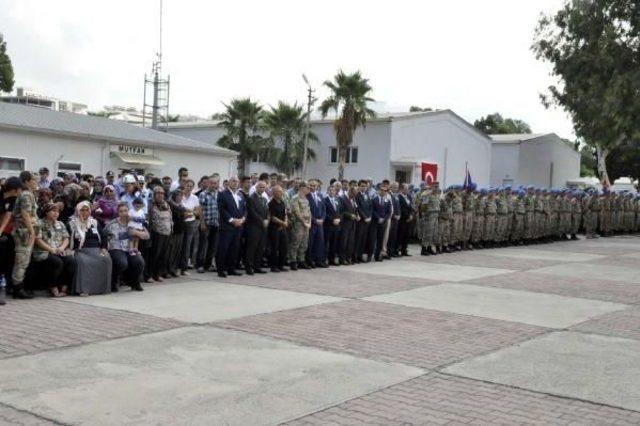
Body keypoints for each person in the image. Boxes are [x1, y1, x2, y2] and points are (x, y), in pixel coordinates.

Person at [30, 202, 76, 297]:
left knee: (70, 261)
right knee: (57, 262)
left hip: (58, 250)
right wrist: (51, 249)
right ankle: (53, 287)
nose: (56, 213)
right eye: (53, 211)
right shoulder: (39, 223)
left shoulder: (60, 224)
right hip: (43, 252)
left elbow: (66, 238)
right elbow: (37, 240)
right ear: (46, 212)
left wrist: (62, 247)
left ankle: (64, 288)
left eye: (57, 211)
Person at [68, 201, 112, 296]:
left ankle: (101, 289)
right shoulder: (72, 224)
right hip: (81, 251)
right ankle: (84, 290)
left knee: (106, 259)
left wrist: (104, 248)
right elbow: (70, 239)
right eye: (82, 210)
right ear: (78, 211)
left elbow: (103, 235)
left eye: (87, 210)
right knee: (84, 262)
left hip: (97, 250)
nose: (84, 213)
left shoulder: (94, 223)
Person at [103, 202, 146, 292]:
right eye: (121, 211)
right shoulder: (112, 223)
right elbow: (104, 233)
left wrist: (137, 233)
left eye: (125, 210)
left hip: (130, 249)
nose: (124, 213)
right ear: (118, 213)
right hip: (116, 248)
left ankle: (134, 282)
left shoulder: (134, 222)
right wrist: (104, 247)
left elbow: (147, 235)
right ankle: (114, 281)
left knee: (139, 261)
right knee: (122, 263)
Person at [11, 171, 39, 299]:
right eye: (33, 180)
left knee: (24, 259)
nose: (36, 182)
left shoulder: (29, 194)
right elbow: (25, 214)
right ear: (27, 181)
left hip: (25, 229)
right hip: (24, 231)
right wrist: (31, 231)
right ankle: (17, 288)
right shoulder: (27, 195)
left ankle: (19, 286)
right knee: (22, 259)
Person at [216, 176, 246, 278]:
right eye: (233, 181)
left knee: (235, 248)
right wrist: (232, 220)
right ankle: (221, 270)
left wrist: (242, 219)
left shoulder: (240, 194)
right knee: (224, 248)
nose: (235, 183)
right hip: (227, 226)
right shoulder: (222, 194)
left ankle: (231, 269)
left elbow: (245, 209)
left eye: (237, 181)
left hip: (239, 226)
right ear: (228, 182)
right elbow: (222, 209)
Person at [147, 186, 173, 282]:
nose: (160, 195)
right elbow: (149, 220)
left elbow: (170, 218)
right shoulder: (150, 205)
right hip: (155, 233)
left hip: (167, 233)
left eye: (162, 193)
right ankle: (149, 275)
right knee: (154, 255)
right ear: (154, 194)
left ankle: (157, 274)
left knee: (163, 255)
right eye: (158, 193)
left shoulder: (166, 204)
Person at [245, 180, 269, 275]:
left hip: (263, 227)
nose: (262, 189)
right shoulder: (251, 198)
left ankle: (257, 266)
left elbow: (267, 212)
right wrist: (262, 221)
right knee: (252, 248)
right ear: (256, 187)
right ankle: (249, 267)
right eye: (260, 187)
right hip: (254, 226)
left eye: (264, 187)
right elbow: (252, 212)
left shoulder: (264, 199)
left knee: (260, 247)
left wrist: (267, 219)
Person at [197, 176, 220, 273]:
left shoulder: (218, 194)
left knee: (212, 246)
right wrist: (202, 223)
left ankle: (208, 264)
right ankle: (200, 265)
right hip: (206, 223)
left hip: (216, 223)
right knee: (203, 246)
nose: (214, 185)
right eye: (212, 183)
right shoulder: (203, 194)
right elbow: (200, 210)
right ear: (208, 183)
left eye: (215, 183)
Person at [289, 181, 311, 270]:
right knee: (295, 243)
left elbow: (309, 212)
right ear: (302, 188)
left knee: (304, 243)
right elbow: (297, 212)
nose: (309, 189)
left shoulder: (306, 199)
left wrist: (309, 222)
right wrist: (304, 222)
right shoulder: (295, 198)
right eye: (307, 187)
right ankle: (293, 261)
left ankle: (301, 260)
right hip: (298, 224)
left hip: (306, 224)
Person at [181, 179, 201, 272]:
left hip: (191, 223)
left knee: (187, 245)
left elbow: (198, 211)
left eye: (191, 186)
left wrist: (191, 213)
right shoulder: (180, 195)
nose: (189, 187)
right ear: (184, 185)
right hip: (180, 222)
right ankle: (176, 265)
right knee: (179, 245)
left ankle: (184, 267)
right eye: (187, 185)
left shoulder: (195, 198)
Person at [267, 185, 289, 272]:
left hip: (282, 228)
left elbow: (285, 214)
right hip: (274, 228)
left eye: (281, 191)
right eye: (279, 191)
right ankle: (273, 266)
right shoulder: (271, 203)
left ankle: (281, 265)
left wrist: (286, 222)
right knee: (274, 248)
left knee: (284, 247)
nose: (281, 193)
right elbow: (272, 217)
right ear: (274, 193)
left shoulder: (282, 202)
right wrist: (283, 223)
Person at [307, 179, 327, 268]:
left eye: (315, 186)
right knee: (310, 242)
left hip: (320, 224)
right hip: (312, 223)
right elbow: (307, 211)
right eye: (311, 185)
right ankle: (309, 261)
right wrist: (314, 220)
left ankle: (318, 260)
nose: (313, 187)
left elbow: (323, 209)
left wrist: (322, 218)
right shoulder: (306, 196)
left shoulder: (320, 195)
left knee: (320, 242)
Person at [339, 185, 359, 264]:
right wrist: (350, 215)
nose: (354, 196)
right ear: (350, 191)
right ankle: (342, 258)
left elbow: (355, 209)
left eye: (355, 195)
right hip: (345, 224)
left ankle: (348, 258)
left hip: (352, 224)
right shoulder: (342, 198)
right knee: (344, 242)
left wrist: (357, 215)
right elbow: (341, 211)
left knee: (350, 242)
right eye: (353, 194)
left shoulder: (353, 199)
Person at [354, 180, 373, 262]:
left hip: (367, 221)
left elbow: (370, 207)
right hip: (361, 221)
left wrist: (369, 217)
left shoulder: (367, 195)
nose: (363, 187)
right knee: (358, 239)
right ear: (359, 186)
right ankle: (355, 256)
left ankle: (360, 255)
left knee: (363, 239)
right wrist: (365, 217)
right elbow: (358, 208)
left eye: (365, 186)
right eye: (362, 186)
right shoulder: (357, 196)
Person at [372, 185, 392, 261]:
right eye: (382, 190)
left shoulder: (388, 201)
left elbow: (389, 212)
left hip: (383, 223)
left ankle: (377, 255)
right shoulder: (374, 199)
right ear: (379, 190)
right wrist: (378, 217)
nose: (383, 192)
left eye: (385, 190)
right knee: (373, 239)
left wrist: (384, 219)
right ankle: (370, 255)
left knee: (380, 239)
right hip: (375, 222)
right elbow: (373, 210)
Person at [323, 184, 342, 266]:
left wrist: (339, 219)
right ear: (328, 191)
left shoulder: (337, 200)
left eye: (333, 190)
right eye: (330, 190)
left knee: (334, 243)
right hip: (328, 225)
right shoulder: (324, 200)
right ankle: (324, 260)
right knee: (326, 243)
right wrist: (332, 220)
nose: (332, 191)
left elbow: (340, 211)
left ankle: (332, 259)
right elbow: (325, 213)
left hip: (336, 225)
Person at [396, 183, 413, 256]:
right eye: (405, 189)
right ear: (401, 189)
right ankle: (397, 250)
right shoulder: (399, 197)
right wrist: (407, 216)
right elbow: (401, 208)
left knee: (407, 235)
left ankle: (404, 250)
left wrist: (411, 215)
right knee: (400, 235)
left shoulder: (409, 196)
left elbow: (410, 207)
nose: (407, 190)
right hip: (402, 219)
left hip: (408, 219)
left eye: (408, 189)